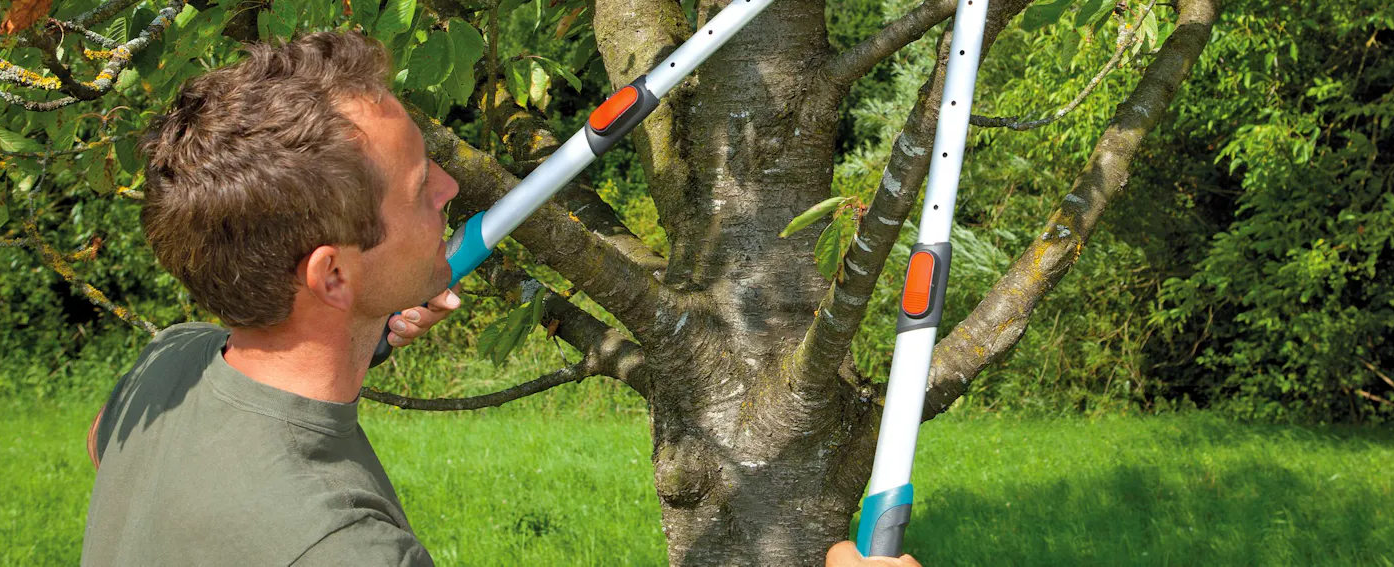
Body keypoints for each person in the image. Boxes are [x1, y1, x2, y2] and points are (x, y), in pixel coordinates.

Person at [81, 30, 919, 567]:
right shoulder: (340, 546)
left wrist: (361, 329)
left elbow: (130, 450)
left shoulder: (171, 370)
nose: (449, 186)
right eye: (417, 188)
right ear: (330, 274)